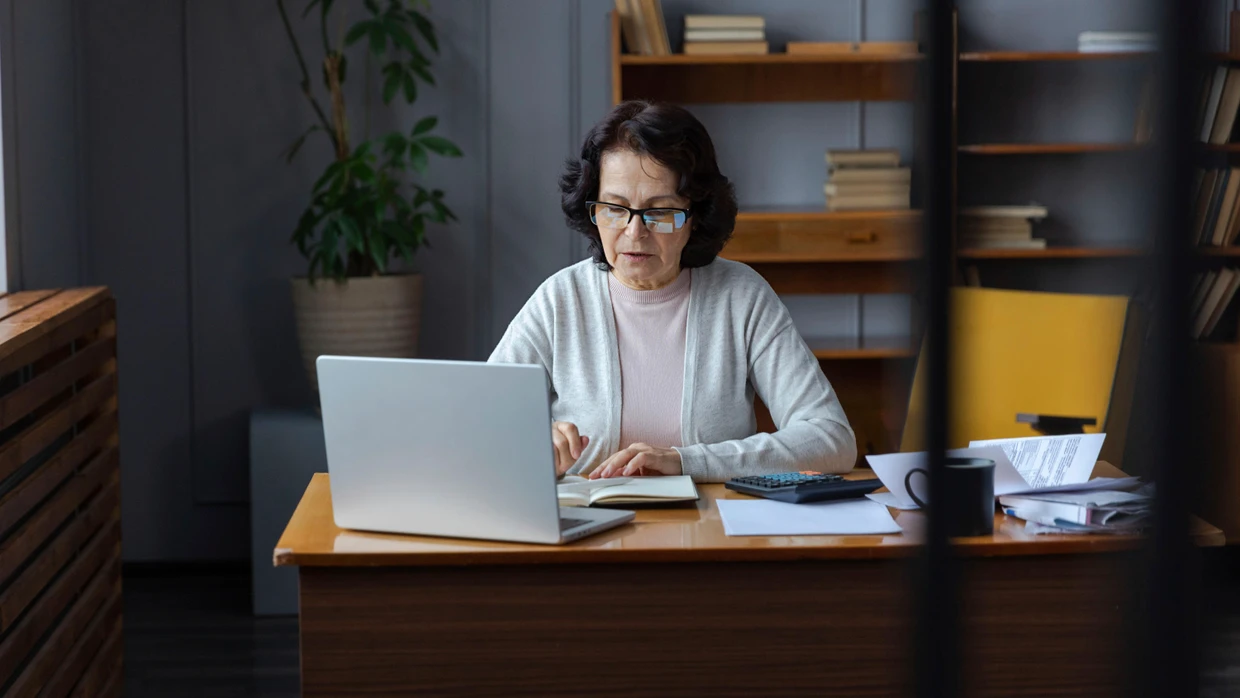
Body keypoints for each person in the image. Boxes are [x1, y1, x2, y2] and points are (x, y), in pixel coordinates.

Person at [488, 100, 856, 482]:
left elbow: (832, 439)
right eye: (614, 208)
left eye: (659, 211)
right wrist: (529, 439)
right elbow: (477, 418)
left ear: (696, 217)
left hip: (712, 530)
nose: (634, 233)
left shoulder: (741, 298)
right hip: (587, 531)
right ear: (591, 209)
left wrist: (688, 461)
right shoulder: (560, 301)